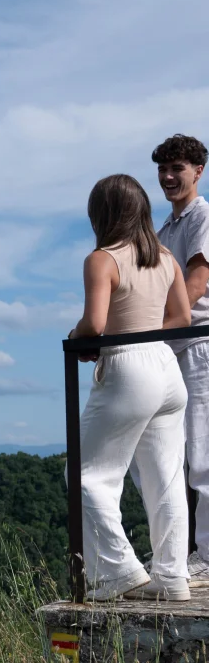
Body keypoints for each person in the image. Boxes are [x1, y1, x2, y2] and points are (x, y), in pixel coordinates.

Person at [69, 174, 191, 601]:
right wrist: (144, 331)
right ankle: (172, 579)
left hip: (127, 369)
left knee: (85, 476)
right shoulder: (165, 258)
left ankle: (121, 572)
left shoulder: (102, 259)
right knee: (166, 478)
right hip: (165, 367)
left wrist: (78, 334)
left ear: (102, 214)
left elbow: (95, 324)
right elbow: (182, 319)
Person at [151, 135, 209, 588]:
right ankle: (183, 551)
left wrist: (162, 326)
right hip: (174, 346)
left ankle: (206, 555)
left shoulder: (203, 216)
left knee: (202, 453)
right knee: (172, 453)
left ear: (198, 171)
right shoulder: (165, 229)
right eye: (163, 169)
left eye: (177, 168)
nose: (169, 177)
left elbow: (198, 280)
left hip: (199, 344)